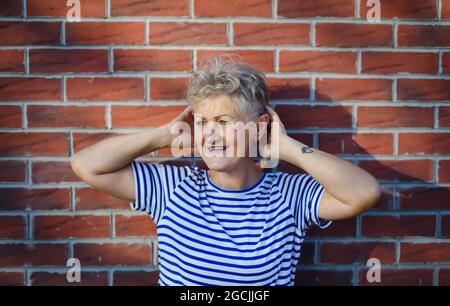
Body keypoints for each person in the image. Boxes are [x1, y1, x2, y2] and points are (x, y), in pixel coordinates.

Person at [71, 55, 381, 286]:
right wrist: (164, 136)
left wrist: (286, 148)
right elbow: (86, 165)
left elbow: (363, 193)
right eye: (203, 122)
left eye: (224, 122)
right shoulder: (172, 187)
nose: (210, 134)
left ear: (259, 127)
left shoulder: (289, 195)